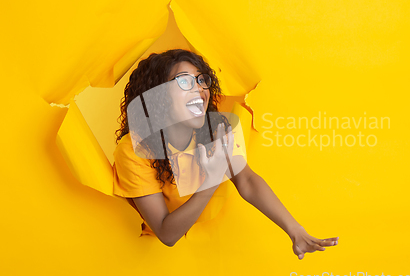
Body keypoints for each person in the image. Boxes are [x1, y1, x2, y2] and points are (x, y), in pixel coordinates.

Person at [112, 49, 338, 260]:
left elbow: (247, 180)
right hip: (144, 253)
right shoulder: (134, 149)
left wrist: (295, 230)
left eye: (202, 80)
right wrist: (210, 182)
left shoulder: (215, 129)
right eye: (184, 82)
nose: (200, 88)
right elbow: (166, 233)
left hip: (204, 246)